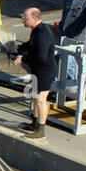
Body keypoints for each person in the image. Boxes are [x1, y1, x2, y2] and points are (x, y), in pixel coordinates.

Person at [12, 7, 59, 142]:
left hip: (45, 70)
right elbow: (32, 45)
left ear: (36, 19)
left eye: (25, 18)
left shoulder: (42, 33)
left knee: (40, 99)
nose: (23, 21)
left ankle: (41, 130)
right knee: (34, 97)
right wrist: (21, 48)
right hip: (38, 69)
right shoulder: (38, 30)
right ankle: (35, 122)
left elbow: (41, 56)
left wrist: (23, 59)